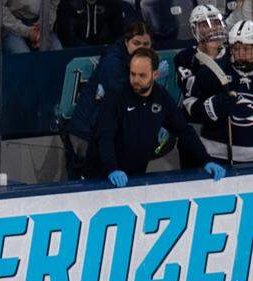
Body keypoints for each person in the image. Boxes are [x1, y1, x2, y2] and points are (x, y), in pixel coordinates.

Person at [88, 48, 225, 187]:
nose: (135, 80)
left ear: (155, 74)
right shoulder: (116, 96)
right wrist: (112, 168)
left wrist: (206, 160)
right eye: (132, 74)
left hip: (135, 175)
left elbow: (184, 131)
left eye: (142, 75)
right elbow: (105, 137)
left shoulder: (161, 96)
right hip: (102, 176)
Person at [69, 21, 152, 148]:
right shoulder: (112, 60)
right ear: (126, 42)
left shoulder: (140, 60)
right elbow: (123, 93)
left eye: (146, 44)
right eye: (136, 43)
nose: (141, 48)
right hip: (86, 131)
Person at [186, 20, 253, 164]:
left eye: (246, 49)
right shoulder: (213, 71)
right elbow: (188, 107)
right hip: (217, 155)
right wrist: (211, 107)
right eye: (236, 48)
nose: (240, 54)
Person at [176, 4, 226, 131]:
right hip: (199, 124)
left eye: (216, 23)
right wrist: (210, 57)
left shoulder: (232, 53)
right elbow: (193, 93)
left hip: (230, 124)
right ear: (194, 30)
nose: (212, 28)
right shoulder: (185, 57)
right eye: (205, 25)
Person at [54, 0, 124, 48]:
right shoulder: (68, 3)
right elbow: (67, 36)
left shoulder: (112, 4)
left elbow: (118, 33)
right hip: (74, 50)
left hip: (104, 50)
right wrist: (88, 50)